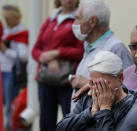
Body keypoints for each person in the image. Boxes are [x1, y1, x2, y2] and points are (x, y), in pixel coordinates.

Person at [31, 0, 84, 131]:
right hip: (45, 79)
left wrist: (57, 53)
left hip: (68, 79)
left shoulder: (78, 21)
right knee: (46, 120)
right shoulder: (50, 20)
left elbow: (81, 51)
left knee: (68, 119)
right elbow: (35, 49)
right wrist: (46, 58)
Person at [70, 0, 132, 107]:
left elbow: (128, 91)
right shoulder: (88, 45)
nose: (74, 24)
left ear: (92, 21)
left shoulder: (116, 48)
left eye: (77, 18)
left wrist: (88, 84)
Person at [56, 51, 134, 131]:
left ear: (120, 78)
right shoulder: (89, 97)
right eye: (93, 83)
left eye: (103, 84)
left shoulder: (132, 106)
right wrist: (90, 113)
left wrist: (104, 109)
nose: (97, 90)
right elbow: (60, 127)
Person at [0, 5, 28, 130]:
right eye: (5, 19)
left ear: (16, 18)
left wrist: (6, 51)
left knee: (10, 105)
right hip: (2, 70)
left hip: (11, 73)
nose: (7, 21)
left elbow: (24, 56)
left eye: (9, 19)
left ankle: (10, 127)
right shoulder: (6, 31)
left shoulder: (21, 33)